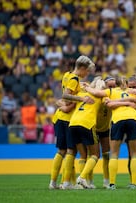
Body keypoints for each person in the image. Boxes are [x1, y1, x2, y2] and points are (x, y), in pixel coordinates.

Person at [84, 76, 136, 189]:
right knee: (134, 153)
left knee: (114, 153)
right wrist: (128, 102)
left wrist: (87, 88)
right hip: (133, 119)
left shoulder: (110, 91)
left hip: (118, 120)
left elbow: (104, 100)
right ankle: (134, 183)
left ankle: (112, 183)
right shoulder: (133, 92)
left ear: (117, 84)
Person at [48, 55, 95, 190]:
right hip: (68, 119)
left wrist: (63, 104)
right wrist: (81, 99)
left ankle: (53, 182)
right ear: (81, 68)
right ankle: (66, 183)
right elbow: (66, 95)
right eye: (87, 71)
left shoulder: (67, 75)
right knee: (71, 150)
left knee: (61, 150)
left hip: (59, 117)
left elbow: (62, 98)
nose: (87, 74)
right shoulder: (74, 78)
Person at [68, 79, 106, 189]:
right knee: (95, 154)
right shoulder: (100, 96)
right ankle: (82, 178)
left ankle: (81, 184)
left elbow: (65, 101)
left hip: (73, 124)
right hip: (86, 124)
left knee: (83, 155)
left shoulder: (81, 94)